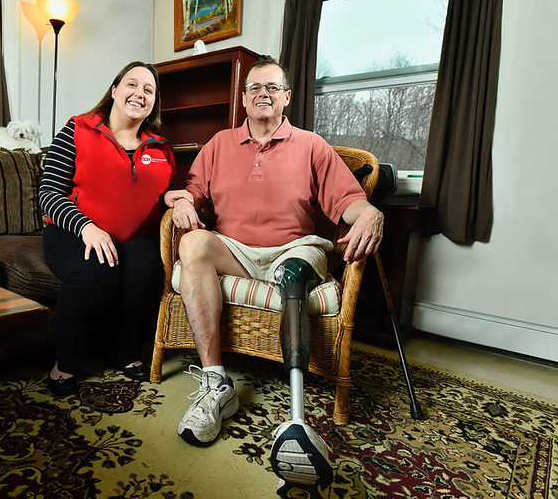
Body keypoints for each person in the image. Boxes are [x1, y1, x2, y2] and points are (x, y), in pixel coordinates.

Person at [163, 56, 383, 491]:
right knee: (192, 244)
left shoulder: (312, 145)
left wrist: (371, 212)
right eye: (253, 88)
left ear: (286, 97)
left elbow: (347, 202)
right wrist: (185, 201)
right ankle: (215, 386)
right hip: (237, 250)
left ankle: (297, 414)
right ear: (243, 99)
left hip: (293, 249)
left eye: (272, 87)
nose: (262, 93)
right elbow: (192, 191)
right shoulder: (218, 144)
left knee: (297, 269)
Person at [39, 61, 175, 396]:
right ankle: (65, 363)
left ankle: (124, 351)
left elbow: (168, 193)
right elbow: (48, 192)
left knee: (147, 266)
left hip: (135, 237)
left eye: (148, 90)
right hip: (73, 231)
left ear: (154, 103)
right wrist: (85, 226)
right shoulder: (78, 128)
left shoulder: (161, 148)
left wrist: (180, 199)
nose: (139, 94)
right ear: (114, 91)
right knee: (95, 269)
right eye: (131, 84)